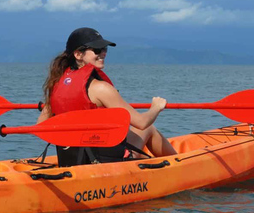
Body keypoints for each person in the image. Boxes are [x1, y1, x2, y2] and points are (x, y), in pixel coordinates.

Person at [37, 27, 176, 166]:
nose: (103, 53)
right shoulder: (101, 88)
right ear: (78, 54)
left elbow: (40, 126)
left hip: (70, 162)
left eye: (105, 49)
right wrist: (155, 108)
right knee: (148, 128)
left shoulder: (56, 86)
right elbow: (141, 123)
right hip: (105, 164)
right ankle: (179, 165)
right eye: (97, 50)